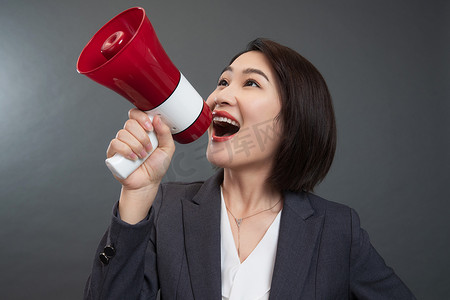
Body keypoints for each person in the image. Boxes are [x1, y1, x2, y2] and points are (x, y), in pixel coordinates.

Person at [84, 38, 415, 299]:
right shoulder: (166, 209)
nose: (219, 96)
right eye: (223, 81)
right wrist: (136, 195)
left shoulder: (338, 230)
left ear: (292, 122)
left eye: (251, 84)